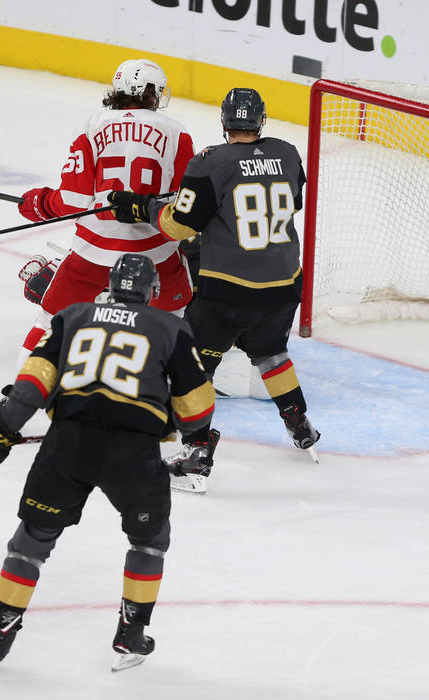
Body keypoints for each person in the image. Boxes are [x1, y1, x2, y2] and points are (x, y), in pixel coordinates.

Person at [0, 253, 215, 672]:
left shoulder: (72, 315)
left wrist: (0, 430)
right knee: (149, 542)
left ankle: (0, 632)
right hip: (133, 454)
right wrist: (177, 428)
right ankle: (130, 635)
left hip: (68, 444)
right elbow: (197, 408)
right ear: (152, 292)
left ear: (110, 286)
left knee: (32, 541)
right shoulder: (170, 327)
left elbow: (31, 384)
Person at [108, 87, 320, 494]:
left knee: (196, 368)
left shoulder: (210, 162)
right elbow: (286, 202)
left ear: (224, 123)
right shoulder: (289, 152)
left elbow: (178, 227)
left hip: (228, 292)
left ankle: (197, 452)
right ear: (261, 121)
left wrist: (143, 207)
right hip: (283, 285)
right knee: (271, 353)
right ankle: (299, 424)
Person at [13, 58, 196, 370]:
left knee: (48, 320)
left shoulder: (92, 125)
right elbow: (184, 207)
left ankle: (18, 391)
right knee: (175, 317)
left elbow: (72, 201)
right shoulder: (177, 133)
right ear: (147, 91)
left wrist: (39, 202)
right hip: (157, 256)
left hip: (93, 254)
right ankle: (169, 385)